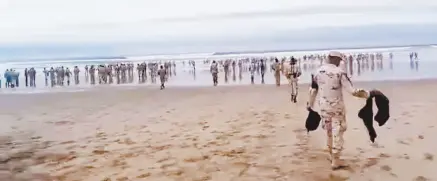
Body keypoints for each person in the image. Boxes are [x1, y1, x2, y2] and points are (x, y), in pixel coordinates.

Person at [307, 51, 376, 170]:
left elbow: (313, 90)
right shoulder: (339, 73)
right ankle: (336, 159)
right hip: (336, 107)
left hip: (323, 106)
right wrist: (369, 94)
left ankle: (330, 154)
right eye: (340, 60)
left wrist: (310, 105)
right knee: (337, 130)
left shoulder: (317, 72)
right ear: (337, 60)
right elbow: (352, 91)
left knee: (328, 130)